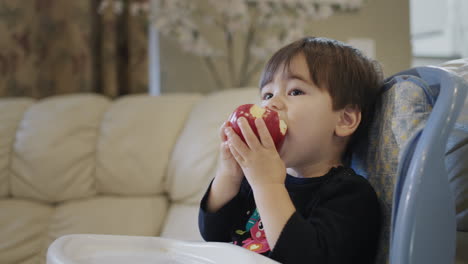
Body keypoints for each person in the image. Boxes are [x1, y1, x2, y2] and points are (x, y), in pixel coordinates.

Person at [198, 36, 383, 264]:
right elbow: (214, 235)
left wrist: (268, 186)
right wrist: (230, 173)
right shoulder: (255, 180)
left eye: (295, 91)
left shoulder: (349, 194)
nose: (271, 104)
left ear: (344, 120)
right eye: (267, 94)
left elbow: (305, 257)